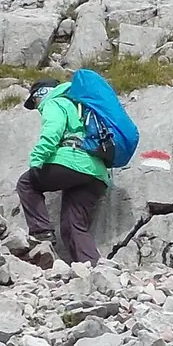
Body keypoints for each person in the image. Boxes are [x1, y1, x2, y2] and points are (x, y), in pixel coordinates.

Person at [16, 79, 109, 265]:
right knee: (73, 226)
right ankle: (93, 268)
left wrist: (36, 161)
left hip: (72, 163)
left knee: (26, 183)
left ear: (40, 94)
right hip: (97, 173)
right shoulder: (81, 106)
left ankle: (41, 232)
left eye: (34, 101)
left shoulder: (55, 101)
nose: (36, 106)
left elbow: (53, 132)